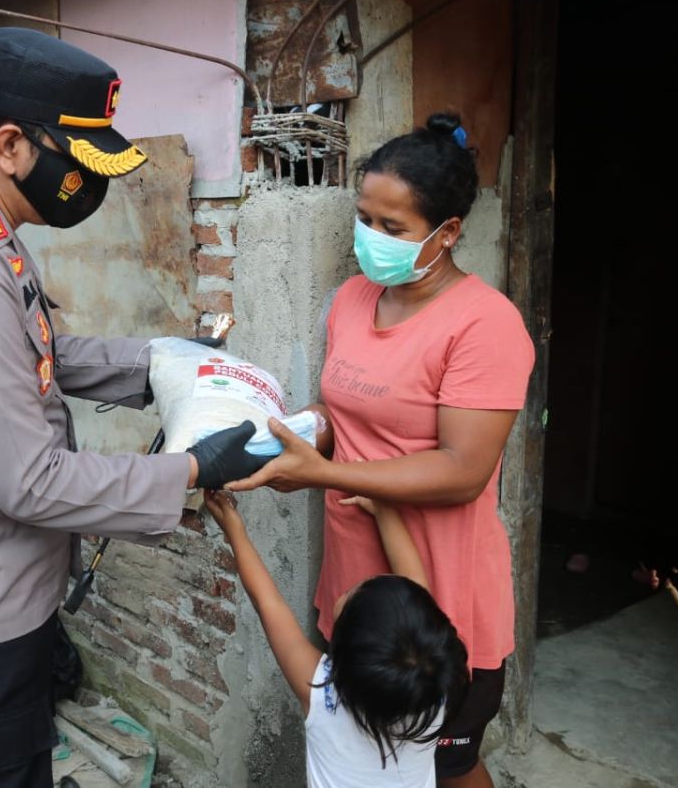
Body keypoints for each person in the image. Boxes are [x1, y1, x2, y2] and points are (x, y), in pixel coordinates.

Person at [0, 27, 264, 786]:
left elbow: (39, 353)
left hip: (1, 602)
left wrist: (160, 362)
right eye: (77, 158)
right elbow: (31, 482)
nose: (87, 178)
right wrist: (187, 470)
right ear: (12, 145)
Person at [227, 114, 536, 788]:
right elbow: (342, 414)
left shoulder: (485, 325)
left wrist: (323, 472)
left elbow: (463, 470)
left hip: (438, 586)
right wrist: (279, 433)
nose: (371, 239)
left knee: (448, 763)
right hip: (358, 580)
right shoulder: (352, 300)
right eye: (365, 219)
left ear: (447, 232)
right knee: (376, 755)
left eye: (392, 228)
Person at [203, 489, 467, 788]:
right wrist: (383, 511)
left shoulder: (322, 694)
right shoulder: (432, 688)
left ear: (340, 650)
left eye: (351, 595)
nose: (350, 587)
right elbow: (417, 591)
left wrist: (234, 530)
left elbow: (268, 604)